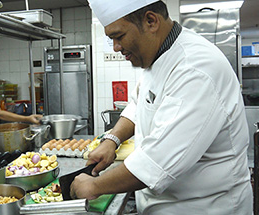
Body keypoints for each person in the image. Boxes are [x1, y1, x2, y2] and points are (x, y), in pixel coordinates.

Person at [71, 1, 253, 214]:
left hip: (203, 207)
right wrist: (112, 140)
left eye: (119, 37)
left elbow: (158, 163)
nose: (116, 48)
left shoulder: (196, 68)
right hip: (161, 203)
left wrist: (94, 185)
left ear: (151, 21)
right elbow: (140, 104)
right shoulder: (157, 56)